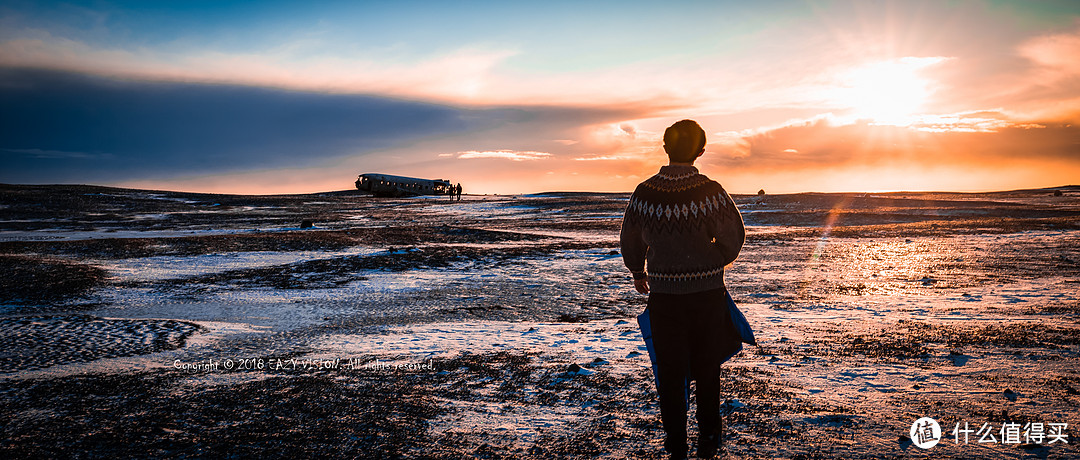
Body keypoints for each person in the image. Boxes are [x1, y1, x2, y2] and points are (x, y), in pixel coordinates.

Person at [620, 119, 745, 459]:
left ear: (665, 149)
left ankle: (676, 444)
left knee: (671, 373)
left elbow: (630, 237)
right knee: (707, 368)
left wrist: (637, 271)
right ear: (701, 151)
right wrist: (713, 260)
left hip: (664, 298)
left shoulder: (645, 193)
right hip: (707, 296)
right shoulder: (711, 191)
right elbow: (734, 235)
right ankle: (708, 439)